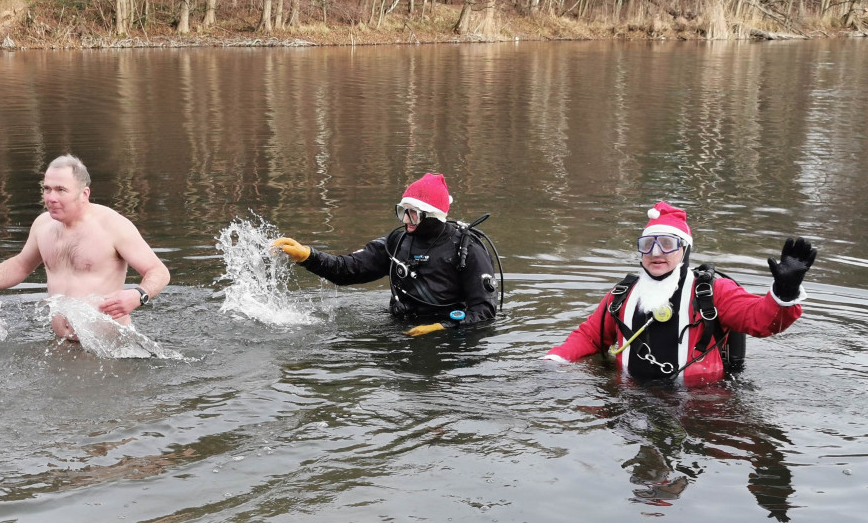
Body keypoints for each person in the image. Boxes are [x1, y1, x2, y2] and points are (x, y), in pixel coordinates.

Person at [546, 201, 817, 384]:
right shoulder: (622, 294)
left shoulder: (713, 291)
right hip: (630, 397)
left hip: (701, 405)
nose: (655, 253)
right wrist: (554, 361)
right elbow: (590, 337)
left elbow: (760, 321)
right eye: (647, 244)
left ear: (684, 250)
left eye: (666, 244)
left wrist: (785, 290)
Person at [0, 154, 170, 340]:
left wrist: (138, 295)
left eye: (61, 190)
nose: (51, 198)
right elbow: (21, 264)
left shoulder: (113, 226)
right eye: (47, 189)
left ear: (84, 194)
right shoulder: (42, 225)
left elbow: (158, 271)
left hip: (110, 347)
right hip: (61, 343)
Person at [272, 174, 499, 336]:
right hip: (399, 328)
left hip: (448, 340)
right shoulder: (396, 242)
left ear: (433, 216)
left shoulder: (468, 249)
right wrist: (308, 256)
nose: (406, 221)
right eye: (403, 213)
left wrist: (442, 328)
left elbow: (485, 311)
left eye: (413, 215)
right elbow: (348, 269)